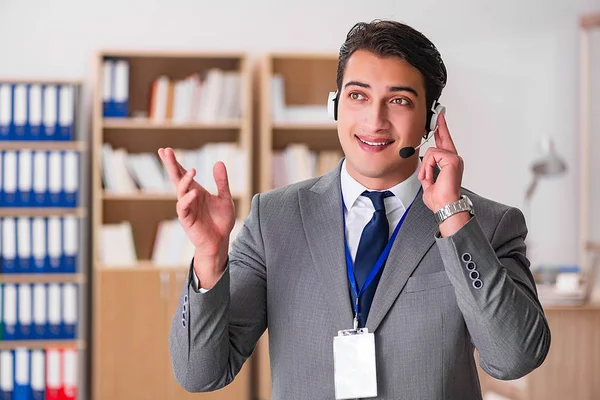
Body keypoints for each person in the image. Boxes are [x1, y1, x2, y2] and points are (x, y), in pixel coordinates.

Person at [161, 19, 550, 400]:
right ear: (335, 106)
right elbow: (200, 374)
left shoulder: (489, 224)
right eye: (358, 96)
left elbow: (514, 358)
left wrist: (452, 215)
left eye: (398, 100)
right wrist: (210, 256)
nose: (374, 120)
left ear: (431, 119)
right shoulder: (274, 218)